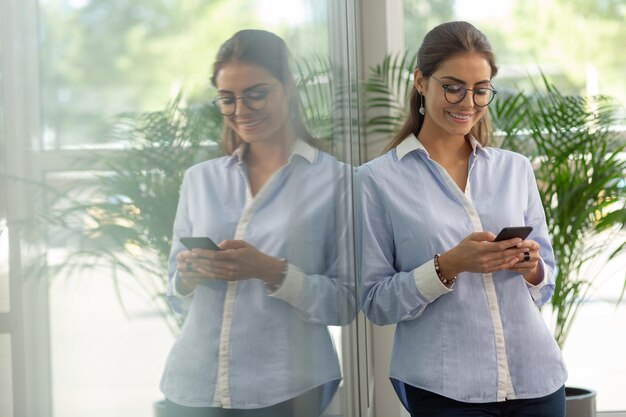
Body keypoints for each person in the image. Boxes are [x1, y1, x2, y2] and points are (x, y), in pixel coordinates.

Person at [358, 21, 567, 417]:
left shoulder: (515, 169)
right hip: (444, 389)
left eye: (480, 89)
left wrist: (531, 266)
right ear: (421, 81)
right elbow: (376, 303)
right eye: (452, 86)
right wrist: (447, 266)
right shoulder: (375, 181)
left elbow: (546, 280)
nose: (467, 102)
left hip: (536, 377)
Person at [160, 29, 355, 417]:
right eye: (227, 99)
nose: (241, 110)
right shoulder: (200, 179)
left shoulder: (337, 181)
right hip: (192, 386)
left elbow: (345, 303)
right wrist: (187, 276)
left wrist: (272, 271)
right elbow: (174, 294)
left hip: (288, 389)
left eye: (256, 94)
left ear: (288, 88)